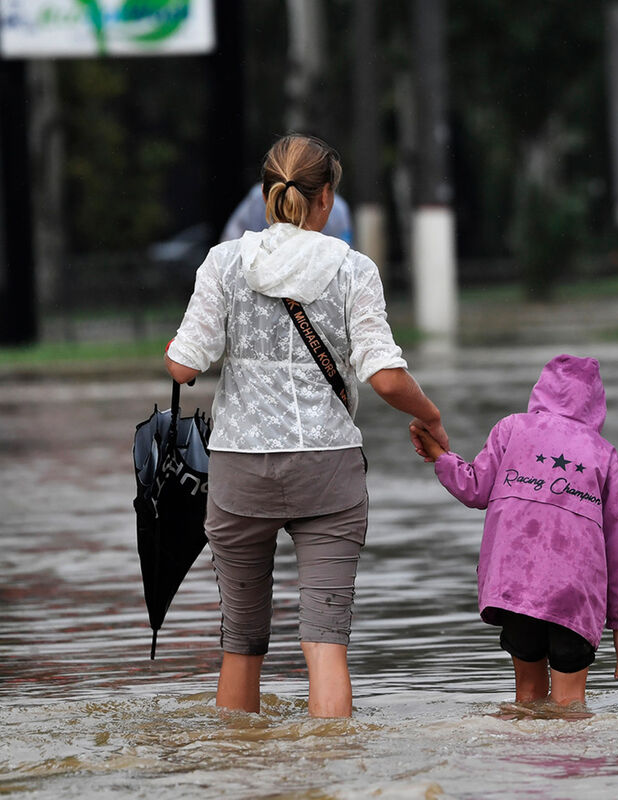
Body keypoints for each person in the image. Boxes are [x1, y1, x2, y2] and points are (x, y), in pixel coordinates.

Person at [165, 133, 447, 718]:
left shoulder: (223, 262)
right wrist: (430, 415)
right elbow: (387, 377)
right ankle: (333, 771)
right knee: (325, 642)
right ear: (326, 201)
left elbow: (184, 364)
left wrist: (178, 346)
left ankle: (242, 767)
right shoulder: (352, 269)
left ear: (267, 195)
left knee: (240, 643)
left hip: (239, 468)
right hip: (329, 469)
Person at [410, 354, 618, 706]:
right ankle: (573, 762)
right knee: (570, 706)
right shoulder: (602, 453)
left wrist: (441, 457)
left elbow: (475, 489)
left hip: (516, 588)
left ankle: (521, 761)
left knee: (526, 700)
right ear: (596, 402)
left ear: (541, 390)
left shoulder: (512, 428)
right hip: (575, 596)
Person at [221, 183, 354, 245]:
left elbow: (230, 239)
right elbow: (344, 247)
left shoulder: (219, 261)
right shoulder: (337, 207)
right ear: (325, 195)